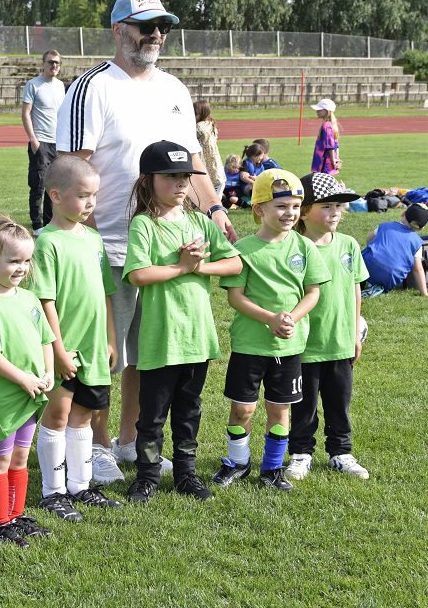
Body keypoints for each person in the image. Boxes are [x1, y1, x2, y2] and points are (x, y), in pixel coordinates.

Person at [56, 0, 235, 485]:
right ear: (118, 31)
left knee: (145, 352)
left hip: (161, 243)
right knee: (101, 353)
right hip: (105, 242)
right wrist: (83, 238)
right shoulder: (92, 86)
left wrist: (215, 207)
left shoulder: (175, 90)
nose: (155, 34)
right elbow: (73, 167)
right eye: (144, 26)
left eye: (162, 26)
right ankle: (95, 445)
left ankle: (133, 440)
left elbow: (192, 163)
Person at [123, 142, 242, 503]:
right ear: (149, 180)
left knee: (189, 409)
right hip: (162, 337)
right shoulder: (144, 224)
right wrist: (180, 267)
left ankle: (186, 474)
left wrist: (200, 266)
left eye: (185, 177)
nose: (180, 184)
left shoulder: (199, 222)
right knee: (152, 414)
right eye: (171, 176)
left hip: (196, 336)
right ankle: (147, 476)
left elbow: (235, 264)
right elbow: (138, 274)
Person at [212, 169, 330, 492]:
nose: (289, 213)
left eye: (294, 206)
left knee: (280, 411)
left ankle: (272, 469)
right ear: (259, 209)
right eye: (281, 206)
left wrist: (291, 317)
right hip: (250, 346)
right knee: (242, 409)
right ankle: (237, 462)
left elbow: (313, 292)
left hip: (288, 348)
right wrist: (269, 318)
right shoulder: (244, 250)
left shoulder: (305, 248)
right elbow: (235, 297)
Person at [31, 156, 123, 521]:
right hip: (64, 348)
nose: (90, 204)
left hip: (95, 347)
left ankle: (80, 486)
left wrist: (111, 340)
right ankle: (52, 492)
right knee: (58, 415)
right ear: (56, 195)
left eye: (94, 196)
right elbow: (45, 301)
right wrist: (58, 350)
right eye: (83, 196)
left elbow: (104, 293)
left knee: (83, 416)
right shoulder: (47, 243)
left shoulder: (95, 240)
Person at [0, 217, 55, 547]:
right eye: (13, 260)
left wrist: (47, 373)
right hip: (5, 396)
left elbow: (46, 339)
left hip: (32, 393)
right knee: (1, 459)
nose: (22, 268)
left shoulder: (29, 299)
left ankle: (15, 516)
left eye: (26, 260)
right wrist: (22, 379)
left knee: (20, 458)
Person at [286, 173, 370, 482]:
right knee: (304, 405)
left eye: (339, 207)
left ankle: (341, 452)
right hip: (305, 344)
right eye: (327, 206)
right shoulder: (293, 246)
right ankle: (301, 453)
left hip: (340, 341)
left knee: (339, 402)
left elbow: (355, 289)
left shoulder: (348, 244)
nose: (335, 213)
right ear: (304, 209)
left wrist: (354, 333)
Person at [22, 51, 65, 233]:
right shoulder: (33, 85)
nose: (54, 66)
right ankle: (37, 225)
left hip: (59, 143)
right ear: (43, 63)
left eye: (57, 63)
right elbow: (25, 113)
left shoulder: (61, 85)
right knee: (38, 184)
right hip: (41, 141)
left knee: (54, 185)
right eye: (51, 62)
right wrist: (33, 139)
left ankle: (48, 222)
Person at [361, 203, 428, 296]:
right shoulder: (417, 242)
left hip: (367, 266)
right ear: (422, 228)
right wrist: (424, 293)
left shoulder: (386, 226)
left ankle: (359, 282)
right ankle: (378, 287)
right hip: (390, 277)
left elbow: (368, 239)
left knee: (363, 256)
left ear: (403, 214)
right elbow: (418, 269)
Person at [194, 99, 224, 198]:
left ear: (203, 113)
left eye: (196, 114)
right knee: (216, 181)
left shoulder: (200, 126)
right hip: (212, 158)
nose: (194, 117)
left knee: (209, 181)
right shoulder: (210, 123)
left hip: (205, 158)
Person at [310, 98, 341, 174]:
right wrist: (337, 158)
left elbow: (330, 145)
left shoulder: (326, 126)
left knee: (321, 183)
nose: (317, 111)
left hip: (323, 163)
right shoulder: (331, 125)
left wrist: (333, 160)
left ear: (326, 111)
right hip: (327, 162)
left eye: (319, 110)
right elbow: (336, 145)